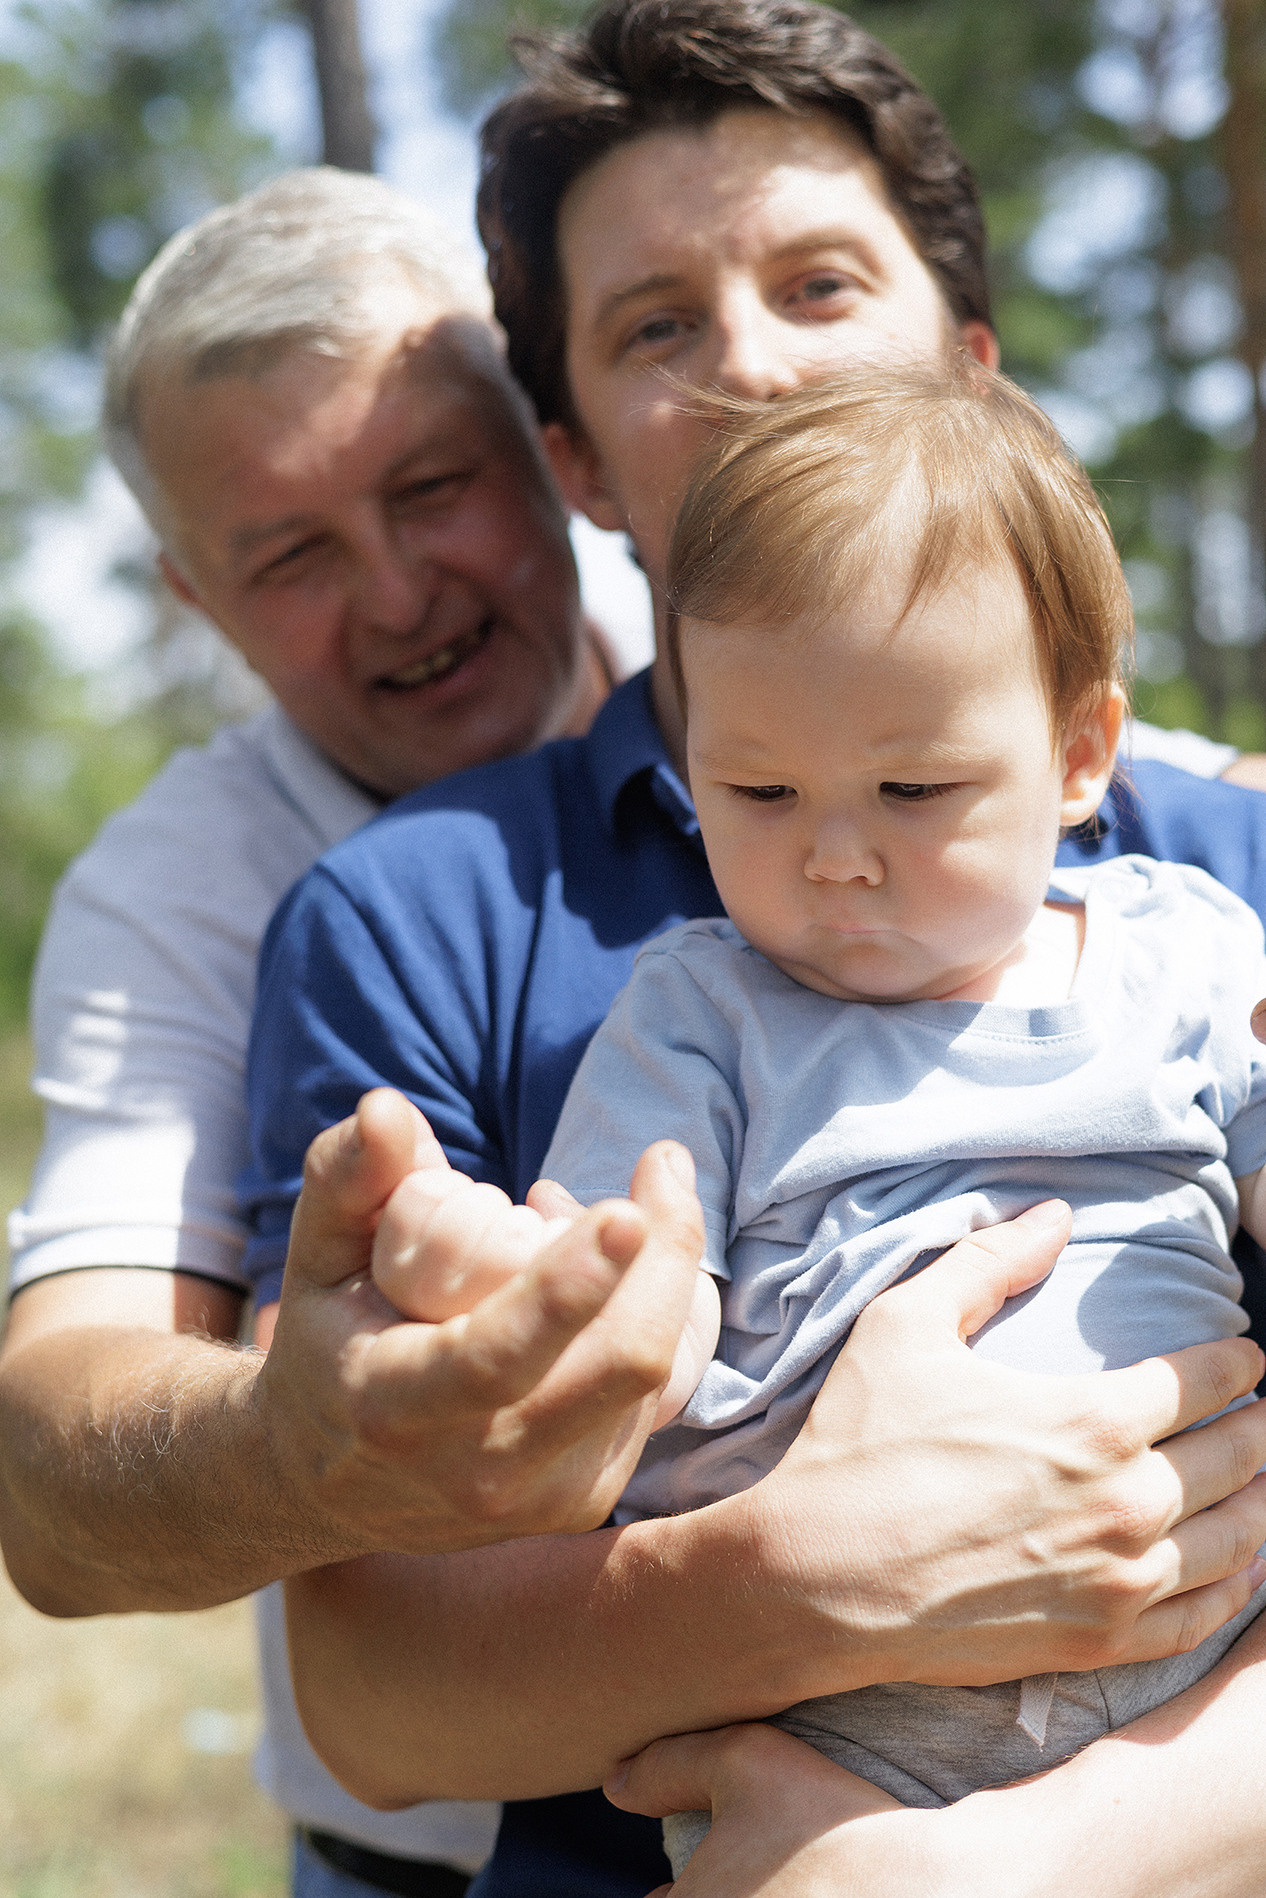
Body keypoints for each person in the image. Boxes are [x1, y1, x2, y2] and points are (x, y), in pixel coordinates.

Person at [254, 6, 1266, 1894]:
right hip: (792, 1785)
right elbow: (397, 1654)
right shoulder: (549, 953)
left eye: (818, 279)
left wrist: (1054, 1855)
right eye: (654, 324)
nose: (840, 861)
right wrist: (510, 1288)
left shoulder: (1205, 911)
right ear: (566, 453)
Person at [0, 163, 653, 1898]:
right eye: (290, 554)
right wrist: (307, 1443)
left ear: (547, 448)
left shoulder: (758, 674)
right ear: (194, 600)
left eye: (433, 487)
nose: (395, 594)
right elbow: (53, 1469)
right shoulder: (173, 896)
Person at [533, 365, 1266, 1874]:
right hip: (831, 1726)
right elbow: (629, 1282)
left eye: (914, 787)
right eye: (759, 789)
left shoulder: (1182, 948)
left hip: (1191, 1678)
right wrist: (572, 1309)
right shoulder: (700, 1011)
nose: (837, 857)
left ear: (1077, 756)